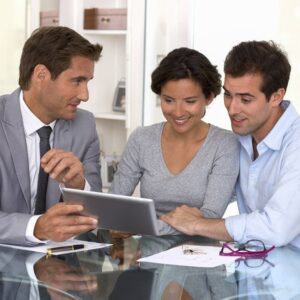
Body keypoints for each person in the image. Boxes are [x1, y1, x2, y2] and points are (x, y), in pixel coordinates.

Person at [161, 40, 300, 247]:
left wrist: (198, 225)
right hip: (257, 266)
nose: (232, 109)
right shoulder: (238, 139)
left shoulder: (295, 145)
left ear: (276, 97)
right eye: (228, 95)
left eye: (245, 99)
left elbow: (275, 228)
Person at [110, 47, 239, 235]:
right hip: (148, 253)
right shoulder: (141, 139)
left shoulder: (225, 144)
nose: (178, 112)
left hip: (200, 252)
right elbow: (115, 202)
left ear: (209, 98)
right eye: (168, 100)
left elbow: (210, 217)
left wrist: (143, 226)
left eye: (190, 101)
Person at [0, 26, 103, 245]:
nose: (85, 95)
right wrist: (36, 227)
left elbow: (95, 215)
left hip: (57, 267)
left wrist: (78, 185)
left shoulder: (84, 125)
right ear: (41, 75)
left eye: (87, 82)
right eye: (77, 81)